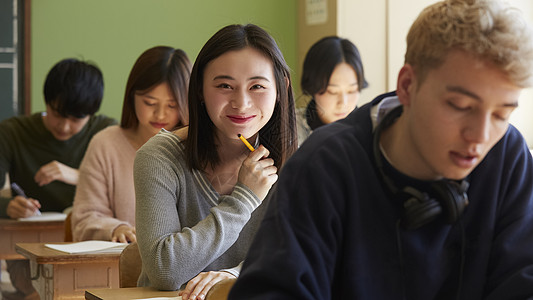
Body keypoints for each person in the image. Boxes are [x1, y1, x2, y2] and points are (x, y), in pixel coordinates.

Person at [229, 0, 533, 299]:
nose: (479, 136)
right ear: (407, 86)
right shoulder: (324, 165)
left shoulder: (508, 157)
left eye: (501, 114)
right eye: (460, 106)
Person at [133, 24, 297, 300]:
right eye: (224, 86)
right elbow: (165, 270)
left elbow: (297, 257)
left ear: (281, 89)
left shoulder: (295, 163)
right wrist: (244, 199)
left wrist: (234, 275)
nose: (241, 103)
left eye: (257, 86)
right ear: (199, 90)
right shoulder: (159, 157)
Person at [0, 58, 116, 300]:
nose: (64, 127)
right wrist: (7, 206)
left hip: (91, 246)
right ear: (46, 103)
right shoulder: (13, 133)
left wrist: (79, 176)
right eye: (56, 114)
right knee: (45, 291)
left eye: (76, 120)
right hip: (29, 251)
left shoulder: (106, 133)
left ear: (91, 114)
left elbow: (127, 191)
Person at [71, 46, 191, 243]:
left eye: (172, 105)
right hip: (118, 266)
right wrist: (116, 228)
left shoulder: (198, 148)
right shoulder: (105, 144)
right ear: (131, 96)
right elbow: (84, 219)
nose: (160, 115)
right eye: (150, 103)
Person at [297, 36, 367, 146]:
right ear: (313, 87)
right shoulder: (291, 130)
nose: (343, 103)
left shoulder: (370, 131)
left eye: (351, 91)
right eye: (332, 91)